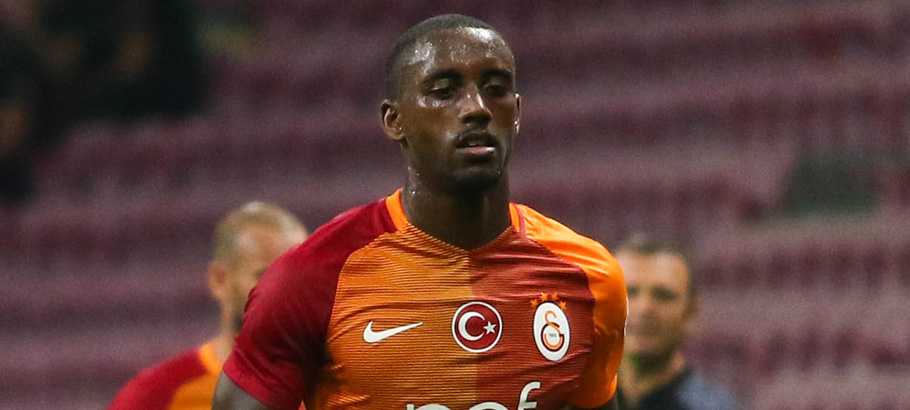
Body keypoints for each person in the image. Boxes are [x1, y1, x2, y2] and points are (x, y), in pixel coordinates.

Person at [213, 14, 627, 410]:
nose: (477, 107)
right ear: (394, 121)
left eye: (496, 88)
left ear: (516, 114)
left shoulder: (589, 277)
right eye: (444, 91)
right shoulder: (312, 279)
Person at [108, 202, 308, 410]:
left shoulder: (332, 392)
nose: (287, 292)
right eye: (265, 275)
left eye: (297, 277)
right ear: (219, 280)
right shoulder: (157, 397)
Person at [613, 235, 738, 410]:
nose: (644, 308)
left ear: (690, 312)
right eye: (630, 293)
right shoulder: (571, 398)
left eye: (663, 295)